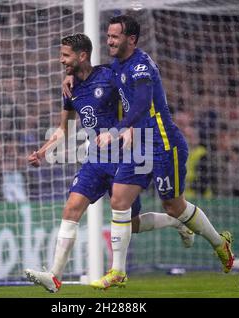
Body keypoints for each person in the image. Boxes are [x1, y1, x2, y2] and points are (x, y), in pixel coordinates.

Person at [24, 34, 194, 293]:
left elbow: (135, 100)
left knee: (132, 223)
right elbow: (64, 128)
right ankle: (54, 276)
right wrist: (43, 151)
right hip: (96, 158)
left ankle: (176, 222)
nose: (61, 60)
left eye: (66, 55)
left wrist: (130, 130)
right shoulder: (70, 89)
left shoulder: (110, 74)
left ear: (82, 56)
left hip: (125, 156)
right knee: (71, 208)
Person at [90, 15, 234, 288]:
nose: (109, 40)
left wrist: (116, 130)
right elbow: (100, 81)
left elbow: (143, 103)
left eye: (115, 36)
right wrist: (75, 78)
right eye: (108, 35)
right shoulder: (118, 65)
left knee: (174, 205)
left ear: (131, 39)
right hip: (139, 144)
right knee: (119, 201)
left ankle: (219, 243)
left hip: (164, 143)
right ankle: (118, 271)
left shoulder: (141, 66)